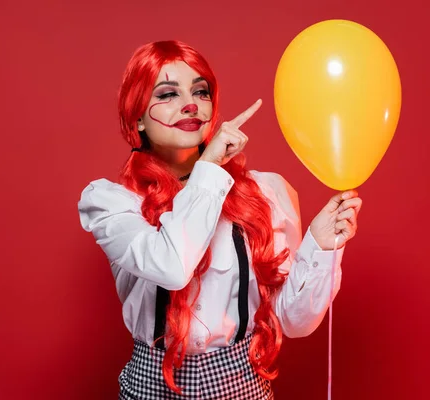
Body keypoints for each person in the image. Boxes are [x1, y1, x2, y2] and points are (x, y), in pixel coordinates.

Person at [77, 40, 362, 399]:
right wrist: (208, 167)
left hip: (241, 388)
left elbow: (293, 322)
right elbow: (171, 265)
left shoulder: (264, 192)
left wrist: (319, 246)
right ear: (138, 117)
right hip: (151, 388)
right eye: (167, 94)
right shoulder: (112, 203)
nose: (191, 103)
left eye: (201, 91)